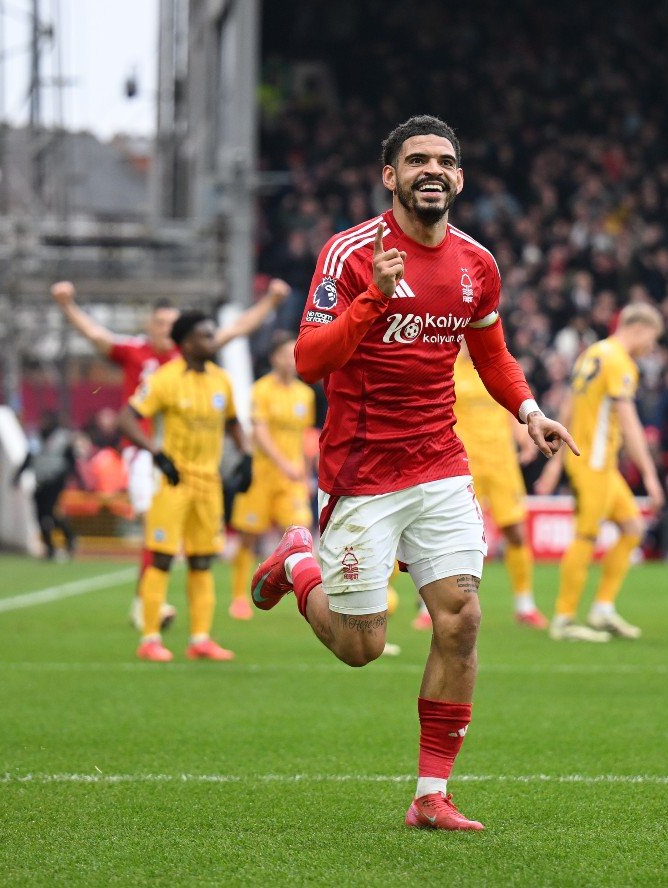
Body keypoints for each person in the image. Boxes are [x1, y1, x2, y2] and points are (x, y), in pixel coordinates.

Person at [250, 115, 576, 831]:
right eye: (418, 160)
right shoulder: (350, 254)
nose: (435, 170)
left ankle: (432, 793)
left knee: (461, 618)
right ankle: (299, 562)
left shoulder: (477, 263)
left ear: (459, 179)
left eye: (447, 161)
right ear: (390, 175)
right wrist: (375, 297)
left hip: (440, 466)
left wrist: (528, 409)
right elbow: (310, 362)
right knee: (361, 646)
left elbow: (491, 354)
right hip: (361, 472)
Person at [51, 278, 289, 632]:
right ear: (149, 326)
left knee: (186, 546)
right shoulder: (136, 353)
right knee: (158, 529)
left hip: (195, 466)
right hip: (144, 455)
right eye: (159, 322)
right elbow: (96, 335)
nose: (165, 329)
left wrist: (270, 303)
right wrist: (67, 305)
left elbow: (236, 329)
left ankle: (157, 611)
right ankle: (149, 610)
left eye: (170, 323)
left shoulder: (194, 354)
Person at [117, 311, 245, 663]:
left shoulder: (222, 380)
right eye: (206, 336)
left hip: (209, 484)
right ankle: (150, 637)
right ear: (187, 342)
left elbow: (234, 422)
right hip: (172, 482)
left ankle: (200, 638)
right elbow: (126, 418)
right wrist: (155, 454)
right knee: (160, 558)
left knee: (202, 560)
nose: (212, 342)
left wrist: (246, 456)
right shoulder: (164, 379)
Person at [535, 303, 666, 642]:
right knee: (586, 536)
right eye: (652, 339)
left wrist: (554, 465)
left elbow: (569, 406)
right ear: (639, 328)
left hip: (598, 464)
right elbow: (630, 422)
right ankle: (563, 620)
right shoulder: (620, 361)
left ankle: (603, 608)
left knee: (632, 527)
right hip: (593, 462)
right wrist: (650, 474)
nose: (651, 348)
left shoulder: (592, 353)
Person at [423, 343, 547, 628]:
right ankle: (427, 608)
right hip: (464, 463)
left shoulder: (493, 365)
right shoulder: (447, 365)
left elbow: (509, 404)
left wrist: (523, 436)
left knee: (516, 532)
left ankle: (525, 604)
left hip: (502, 462)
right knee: (446, 538)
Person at [229, 334, 315, 620]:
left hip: (291, 479)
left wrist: (304, 472)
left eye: (295, 354)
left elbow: (304, 437)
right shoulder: (261, 390)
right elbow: (260, 433)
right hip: (262, 475)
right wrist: (283, 463)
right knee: (248, 537)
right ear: (274, 358)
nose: (291, 360)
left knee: (300, 533)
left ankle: (292, 588)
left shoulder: (305, 394)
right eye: (286, 354)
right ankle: (240, 596)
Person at [13, 410, 81, 561]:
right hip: (40, 481)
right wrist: (17, 476)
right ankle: (49, 547)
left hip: (56, 481)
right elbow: (29, 458)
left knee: (50, 513)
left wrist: (74, 478)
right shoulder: (36, 438)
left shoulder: (63, 438)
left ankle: (69, 538)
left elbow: (71, 460)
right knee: (40, 515)